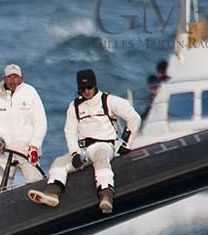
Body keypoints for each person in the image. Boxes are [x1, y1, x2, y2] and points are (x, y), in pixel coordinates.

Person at [28, 68, 141, 215]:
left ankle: (106, 196)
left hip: (104, 145)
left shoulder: (108, 100)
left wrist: (127, 144)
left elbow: (134, 118)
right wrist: (75, 154)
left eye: (89, 87)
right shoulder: (74, 107)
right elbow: (70, 132)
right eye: (83, 88)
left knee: (101, 158)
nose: (87, 91)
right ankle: (52, 194)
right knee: (59, 163)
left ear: (95, 85)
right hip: (83, 150)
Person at [0, 63, 47, 191]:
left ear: (21, 79)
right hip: (3, 151)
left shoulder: (30, 93)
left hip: (27, 151)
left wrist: (35, 146)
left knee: (37, 186)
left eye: (16, 77)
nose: (13, 80)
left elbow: (41, 122)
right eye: (10, 77)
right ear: (4, 78)